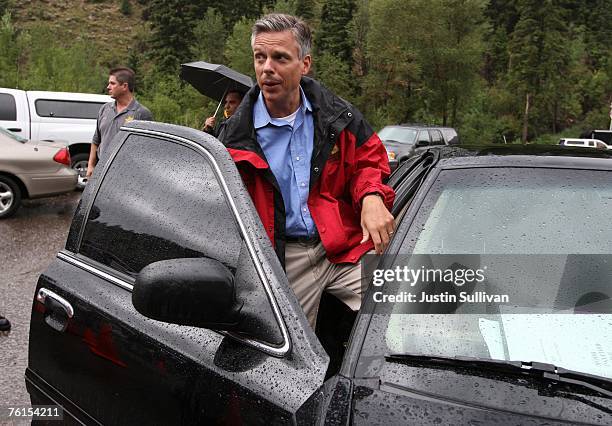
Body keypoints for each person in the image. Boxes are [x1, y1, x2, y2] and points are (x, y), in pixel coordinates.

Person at [219, 13, 395, 329]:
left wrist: (371, 196)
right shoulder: (234, 139)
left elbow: (369, 160)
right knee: (286, 362)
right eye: (260, 57)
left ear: (305, 64)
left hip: (344, 245)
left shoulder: (337, 115)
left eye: (280, 58)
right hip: (283, 258)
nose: (266, 68)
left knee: (423, 299)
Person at [86, 67, 153, 178]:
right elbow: (96, 140)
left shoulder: (141, 113)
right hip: (101, 170)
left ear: (124, 86)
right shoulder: (105, 109)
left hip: (126, 175)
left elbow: (146, 150)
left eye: (112, 83)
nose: (108, 87)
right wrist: (91, 165)